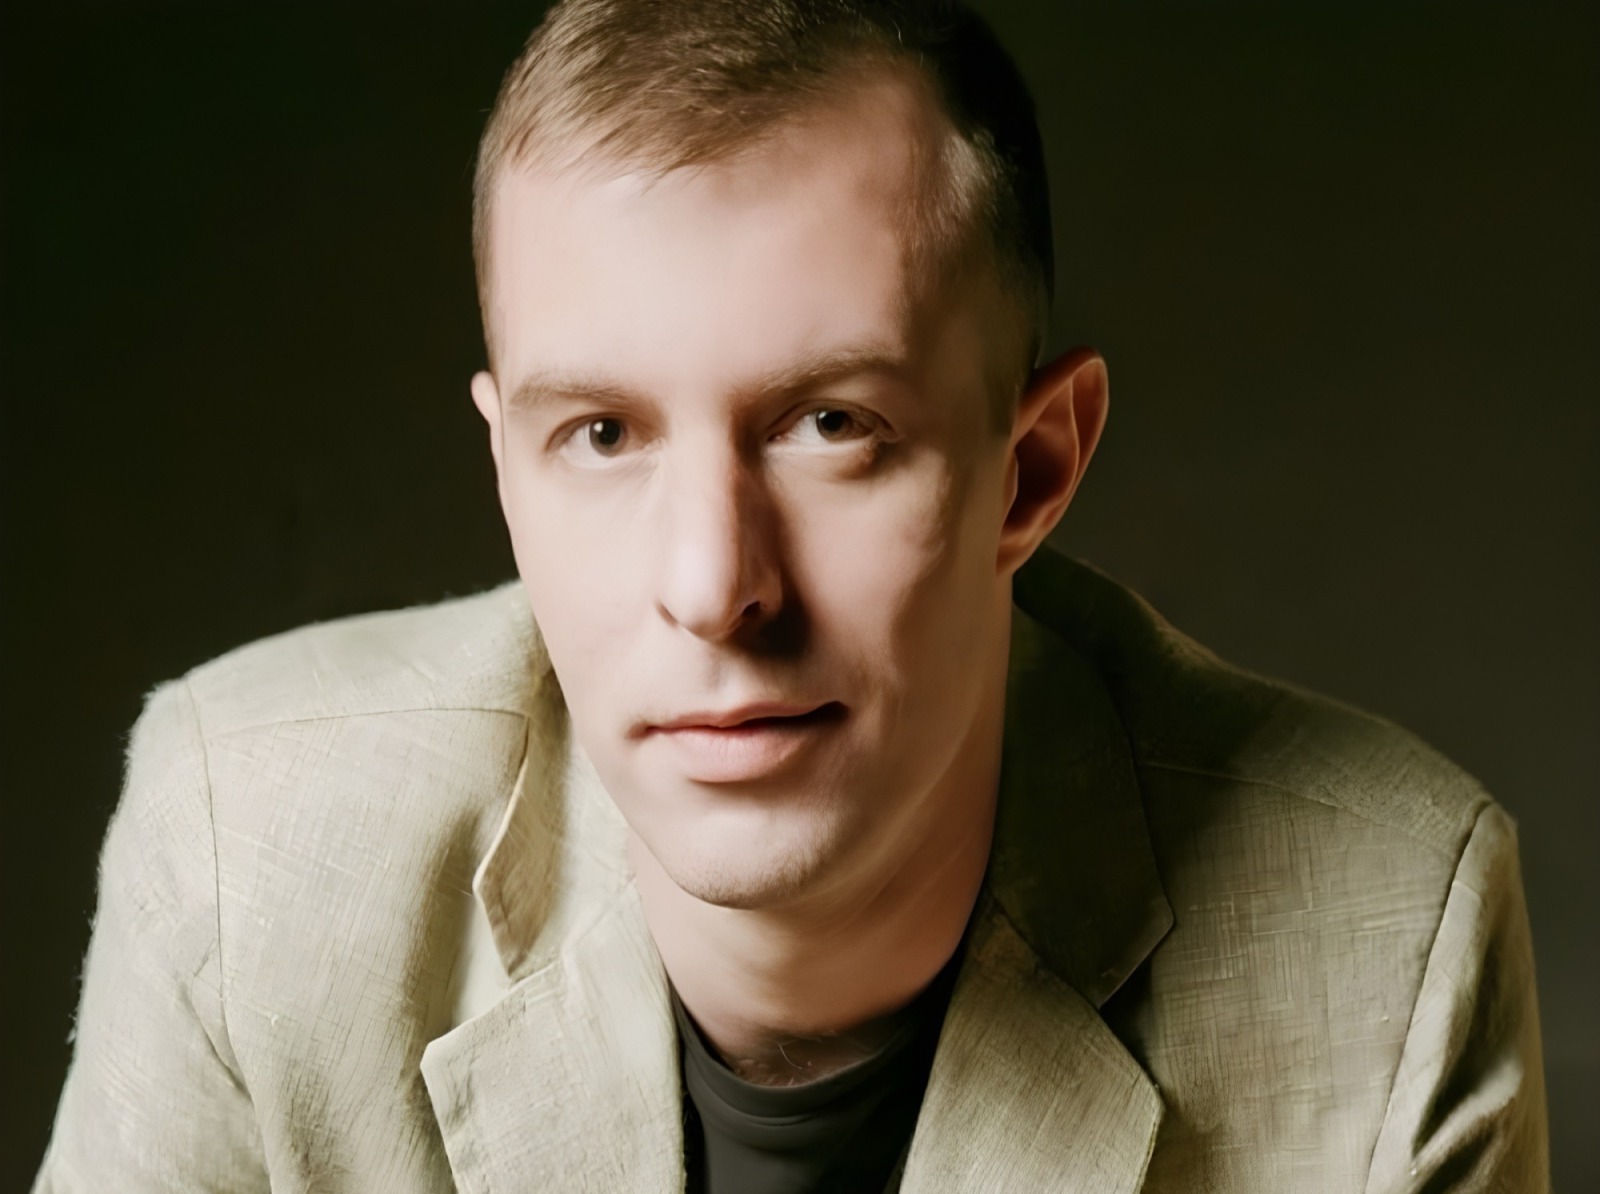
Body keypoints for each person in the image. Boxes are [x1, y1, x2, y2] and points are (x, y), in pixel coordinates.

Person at [33, 2, 1548, 1191]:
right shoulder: (252, 853)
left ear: (1029, 472)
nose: (714, 588)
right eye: (603, 436)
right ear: (506, 471)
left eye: (832, 425)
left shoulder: (1385, 944)